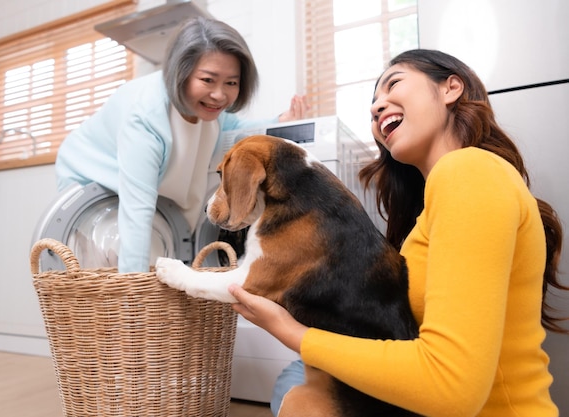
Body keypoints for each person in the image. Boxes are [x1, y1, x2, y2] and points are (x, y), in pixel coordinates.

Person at [228, 49, 568, 416]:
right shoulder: (435, 206)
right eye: (373, 103)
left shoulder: (470, 171)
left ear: (451, 87)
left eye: (394, 84)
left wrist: (289, 330)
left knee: (296, 389)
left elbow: (451, 387)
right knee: (296, 383)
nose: (376, 108)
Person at [55, 16, 307, 272]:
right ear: (181, 72)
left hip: (148, 200)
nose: (219, 94)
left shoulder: (213, 115)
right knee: (109, 264)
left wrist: (280, 122)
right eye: (208, 80)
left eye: (231, 82)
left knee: (158, 257)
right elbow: (136, 214)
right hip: (90, 178)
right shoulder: (146, 119)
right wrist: (135, 300)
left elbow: (236, 129)